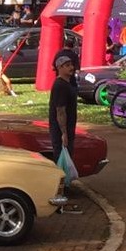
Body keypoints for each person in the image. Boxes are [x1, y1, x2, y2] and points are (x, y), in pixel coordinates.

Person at [48, 52, 79, 186]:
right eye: (67, 65)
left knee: (67, 158)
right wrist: (64, 132)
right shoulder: (60, 86)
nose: (71, 67)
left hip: (68, 127)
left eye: (71, 64)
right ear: (59, 67)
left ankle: (64, 187)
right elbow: (60, 110)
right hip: (60, 129)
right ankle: (59, 189)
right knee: (61, 158)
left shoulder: (68, 83)